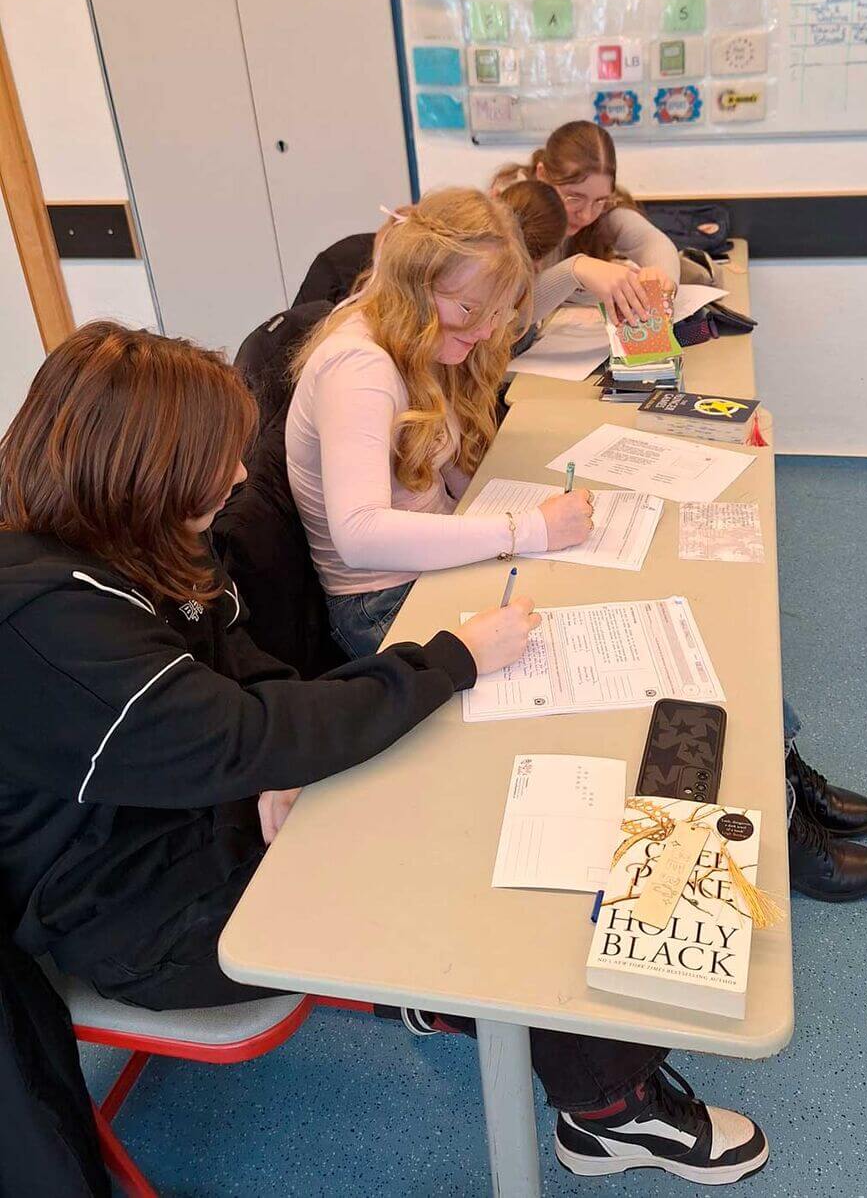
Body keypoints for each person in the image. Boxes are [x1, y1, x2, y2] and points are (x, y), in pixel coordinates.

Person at [0, 322, 771, 1186]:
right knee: (475, 873)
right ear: (144, 468)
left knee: (459, 787)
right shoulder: (42, 619)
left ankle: (481, 1020)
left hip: (200, 821)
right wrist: (447, 662)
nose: (241, 477)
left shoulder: (137, 543)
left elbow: (241, 667)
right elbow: (237, 733)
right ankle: (607, 1110)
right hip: (142, 917)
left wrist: (278, 766)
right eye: (217, 461)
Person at [287, 187, 594, 659]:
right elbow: (360, 535)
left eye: (496, 312)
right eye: (471, 310)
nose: (487, 331)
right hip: (380, 603)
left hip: (423, 569)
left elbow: (438, 463)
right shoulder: (359, 368)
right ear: (415, 285)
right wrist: (530, 528)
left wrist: (521, 513)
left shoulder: (416, 336)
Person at [494, 121, 681, 325]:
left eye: (599, 200)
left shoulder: (604, 210)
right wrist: (575, 270)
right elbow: (508, 314)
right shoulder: (511, 213)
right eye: (574, 198)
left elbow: (650, 241)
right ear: (542, 175)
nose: (586, 215)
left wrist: (662, 277)